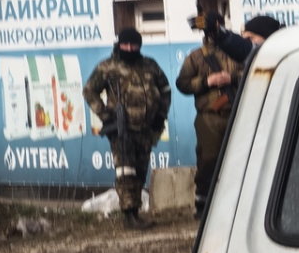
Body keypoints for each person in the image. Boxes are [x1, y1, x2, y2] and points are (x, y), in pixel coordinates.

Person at [83, 27, 171, 230]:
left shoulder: (150, 65)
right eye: (126, 44)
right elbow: (90, 91)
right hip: (121, 129)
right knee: (125, 171)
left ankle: (136, 211)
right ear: (119, 44)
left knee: (139, 171)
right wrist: (105, 116)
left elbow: (165, 90)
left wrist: (160, 115)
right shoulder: (108, 67)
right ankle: (129, 215)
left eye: (134, 45)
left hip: (146, 129)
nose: (129, 48)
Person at [176, 32, 243, 218]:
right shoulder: (196, 56)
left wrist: (233, 78)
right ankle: (203, 205)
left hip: (239, 114)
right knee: (208, 160)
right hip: (210, 117)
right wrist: (206, 82)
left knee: (240, 161)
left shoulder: (239, 53)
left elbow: (254, 72)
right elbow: (182, 84)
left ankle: (236, 204)